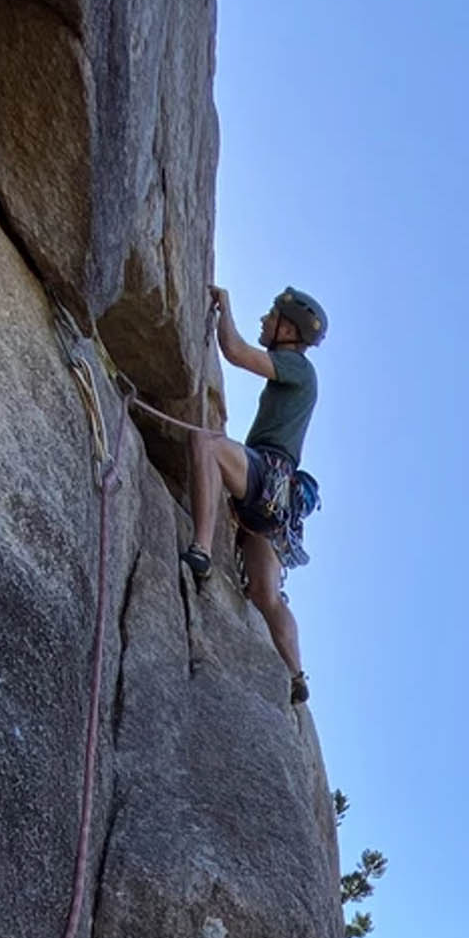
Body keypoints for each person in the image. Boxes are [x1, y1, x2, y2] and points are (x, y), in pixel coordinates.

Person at [181, 284, 325, 705]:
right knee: (265, 594)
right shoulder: (299, 373)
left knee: (207, 445)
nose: (265, 320)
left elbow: (236, 352)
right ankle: (296, 676)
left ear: (289, 331)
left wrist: (223, 306)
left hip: (270, 472)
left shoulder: (297, 366)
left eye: (271, 316)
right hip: (279, 499)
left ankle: (201, 549)